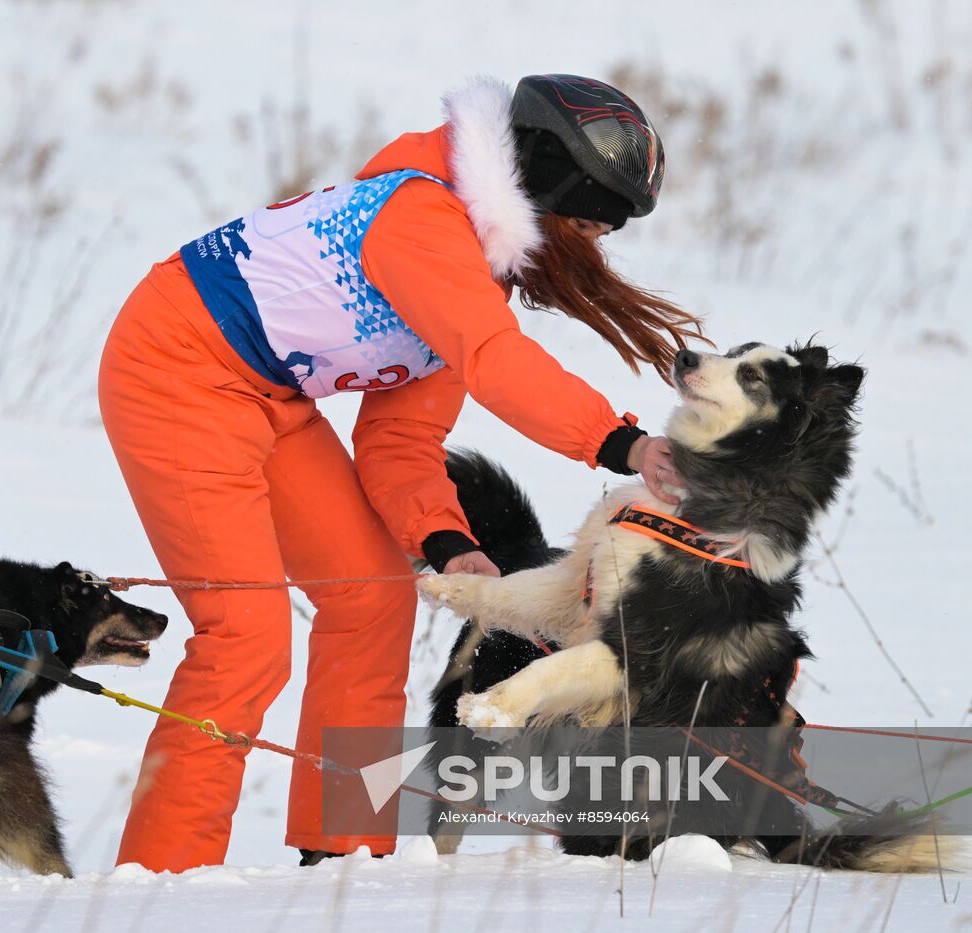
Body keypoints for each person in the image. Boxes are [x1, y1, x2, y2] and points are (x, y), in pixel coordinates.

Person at [98, 73, 704, 873]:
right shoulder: (420, 218)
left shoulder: (474, 270)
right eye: (586, 225)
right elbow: (495, 362)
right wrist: (621, 443)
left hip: (268, 394)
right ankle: (161, 881)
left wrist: (449, 542)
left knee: (372, 601)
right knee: (245, 639)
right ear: (548, 183)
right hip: (174, 367)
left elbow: (401, 439)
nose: (589, 247)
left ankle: (343, 857)